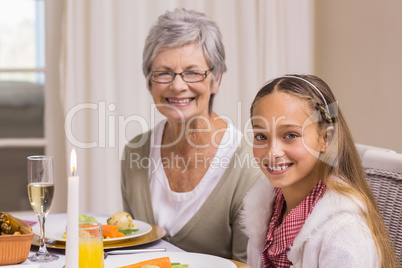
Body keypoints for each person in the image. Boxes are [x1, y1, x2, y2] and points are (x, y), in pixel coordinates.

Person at [121, 8, 264, 262]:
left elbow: (248, 265)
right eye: (164, 73)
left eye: (192, 72)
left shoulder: (247, 163)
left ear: (216, 80)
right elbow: (131, 252)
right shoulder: (135, 152)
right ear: (149, 83)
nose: (177, 86)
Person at [241, 74, 396, 267]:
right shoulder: (267, 210)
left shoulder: (343, 232)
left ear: (325, 139)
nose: (272, 152)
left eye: (290, 135)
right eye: (261, 136)